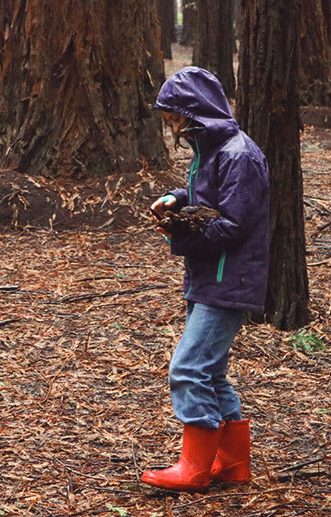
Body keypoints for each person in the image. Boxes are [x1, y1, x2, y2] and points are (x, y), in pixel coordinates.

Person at [141, 67, 270, 492]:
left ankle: (194, 467)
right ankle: (232, 464)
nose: (170, 126)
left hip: (229, 279)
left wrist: (181, 231)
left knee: (189, 367)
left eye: (173, 117)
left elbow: (233, 223)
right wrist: (176, 199)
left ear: (193, 112)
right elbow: (206, 197)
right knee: (211, 372)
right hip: (210, 277)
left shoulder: (239, 154)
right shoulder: (212, 151)